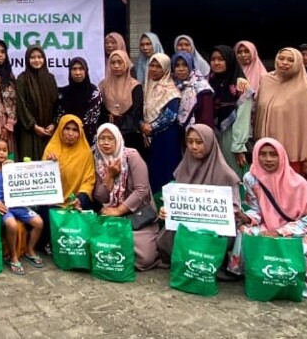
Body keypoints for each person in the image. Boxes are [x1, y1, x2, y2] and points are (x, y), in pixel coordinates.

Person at [226, 139, 307, 299]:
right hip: (267, 224)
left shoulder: (298, 183)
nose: (268, 159)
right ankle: (252, 272)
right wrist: (247, 218)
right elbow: (257, 210)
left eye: (273, 155)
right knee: (245, 231)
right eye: (263, 154)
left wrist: (280, 232)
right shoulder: (251, 178)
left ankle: (292, 279)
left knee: (300, 247)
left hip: (297, 229)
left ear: (281, 156)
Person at [158, 124, 243, 265]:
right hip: (187, 225)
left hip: (215, 229)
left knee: (210, 241)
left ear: (209, 143)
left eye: (199, 142)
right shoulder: (183, 168)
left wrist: (209, 216)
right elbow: (176, 200)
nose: (194, 147)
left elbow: (235, 209)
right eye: (189, 142)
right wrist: (167, 210)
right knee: (166, 239)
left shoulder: (226, 174)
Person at [253, 47, 307, 186]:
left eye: (290, 60)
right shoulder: (266, 81)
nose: (284, 63)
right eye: (281, 58)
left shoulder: (306, 89)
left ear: (298, 63)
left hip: (294, 156)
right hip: (266, 153)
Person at [92, 123, 160, 270]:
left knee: (144, 258)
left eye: (110, 138)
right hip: (111, 216)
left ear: (118, 139)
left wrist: (119, 210)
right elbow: (100, 197)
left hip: (138, 217)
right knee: (98, 246)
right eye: (102, 138)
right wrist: (109, 176)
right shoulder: (98, 160)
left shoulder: (131, 156)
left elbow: (141, 191)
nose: (105, 142)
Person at [0, 137, 46, 274]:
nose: (1, 153)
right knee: (12, 225)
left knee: (39, 222)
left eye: (4, 150)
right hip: (2, 207)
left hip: (17, 205)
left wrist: (14, 168)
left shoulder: (11, 166)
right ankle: (12, 256)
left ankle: (30, 250)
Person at [140, 53, 182, 191]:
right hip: (149, 138)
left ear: (166, 68)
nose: (154, 69)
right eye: (151, 65)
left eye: (158, 66)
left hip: (167, 137)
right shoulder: (146, 87)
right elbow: (141, 110)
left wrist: (151, 127)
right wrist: (142, 125)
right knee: (152, 171)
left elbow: (170, 115)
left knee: (167, 170)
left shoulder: (171, 90)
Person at [207, 44, 249, 169]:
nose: (216, 63)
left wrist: (238, 146)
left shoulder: (241, 85)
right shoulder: (209, 81)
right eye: (213, 59)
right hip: (213, 135)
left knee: (233, 173)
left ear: (230, 60)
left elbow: (243, 118)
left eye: (221, 59)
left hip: (232, 136)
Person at [15, 45, 59, 161]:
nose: (36, 60)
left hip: (49, 131)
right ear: (27, 60)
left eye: (39, 57)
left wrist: (53, 123)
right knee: (29, 164)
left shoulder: (50, 78)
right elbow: (21, 105)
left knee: (49, 162)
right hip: (29, 132)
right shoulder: (22, 79)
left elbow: (56, 103)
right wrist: (34, 126)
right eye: (33, 57)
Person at [43, 114, 96, 208]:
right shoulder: (51, 149)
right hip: (52, 203)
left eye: (75, 130)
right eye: (67, 128)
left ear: (80, 132)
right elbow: (42, 181)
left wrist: (80, 199)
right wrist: (49, 166)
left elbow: (89, 181)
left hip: (76, 204)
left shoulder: (86, 153)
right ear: (60, 129)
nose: (70, 133)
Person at [99, 49, 144, 149]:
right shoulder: (103, 86)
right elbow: (101, 111)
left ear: (126, 63)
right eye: (113, 63)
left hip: (130, 136)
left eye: (120, 62)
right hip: (108, 135)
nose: (116, 66)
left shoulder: (135, 86)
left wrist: (120, 127)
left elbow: (136, 112)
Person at [56, 57, 102, 132]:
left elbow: (91, 120)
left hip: (87, 136)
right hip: (66, 135)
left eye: (81, 69)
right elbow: (60, 117)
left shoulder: (94, 92)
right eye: (74, 69)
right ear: (70, 71)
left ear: (86, 71)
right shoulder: (63, 93)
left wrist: (76, 132)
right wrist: (70, 132)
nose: (77, 73)